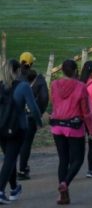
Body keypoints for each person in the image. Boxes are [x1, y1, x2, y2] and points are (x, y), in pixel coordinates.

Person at [49, 59, 92, 205]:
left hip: (57, 125)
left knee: (63, 160)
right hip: (74, 126)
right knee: (77, 159)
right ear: (76, 71)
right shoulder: (81, 87)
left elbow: (54, 102)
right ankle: (65, 183)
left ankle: (64, 195)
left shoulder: (54, 85)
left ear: (62, 70)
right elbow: (87, 112)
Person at [0, 60, 42, 204]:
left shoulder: (1, 87)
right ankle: (0, 190)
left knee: (9, 158)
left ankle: (13, 188)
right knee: (10, 159)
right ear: (18, 71)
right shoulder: (23, 86)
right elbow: (33, 108)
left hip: (1, 128)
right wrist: (39, 121)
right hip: (18, 128)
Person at [17, 52, 48, 182]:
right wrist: (39, 113)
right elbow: (44, 98)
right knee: (26, 144)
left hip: (14, 116)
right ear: (32, 63)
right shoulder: (38, 79)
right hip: (30, 117)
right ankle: (22, 169)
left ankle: (10, 169)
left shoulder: (14, 77)